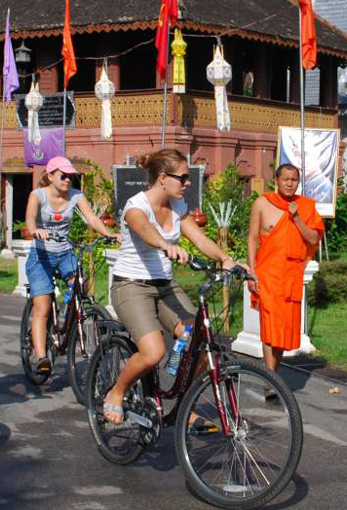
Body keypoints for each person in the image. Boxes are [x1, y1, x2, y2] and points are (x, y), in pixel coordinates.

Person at [102, 148, 245, 425]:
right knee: (154, 352)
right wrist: (166, 244)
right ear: (163, 178)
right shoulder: (136, 206)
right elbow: (145, 230)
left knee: (201, 343)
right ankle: (117, 392)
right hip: (131, 286)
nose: (188, 182)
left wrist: (227, 259)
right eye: (183, 177)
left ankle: (182, 407)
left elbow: (200, 240)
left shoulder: (178, 206)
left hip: (165, 286)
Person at [25, 156, 119, 376]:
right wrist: (35, 230)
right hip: (41, 256)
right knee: (43, 306)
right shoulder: (38, 195)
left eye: (71, 176)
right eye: (63, 175)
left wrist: (108, 233)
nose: (68, 180)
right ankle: (40, 356)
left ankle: (68, 317)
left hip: (65, 252)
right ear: (50, 176)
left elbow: (92, 219)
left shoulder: (76, 196)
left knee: (81, 287)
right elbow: (30, 218)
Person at [247, 164, 324, 374]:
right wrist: (251, 273)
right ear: (276, 180)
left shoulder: (305, 207)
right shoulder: (262, 204)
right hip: (267, 274)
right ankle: (271, 378)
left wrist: (297, 218)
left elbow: (313, 238)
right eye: (286, 179)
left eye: (294, 180)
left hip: (290, 274)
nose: (290, 184)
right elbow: (252, 239)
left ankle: (273, 374)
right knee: (270, 324)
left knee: (282, 328)